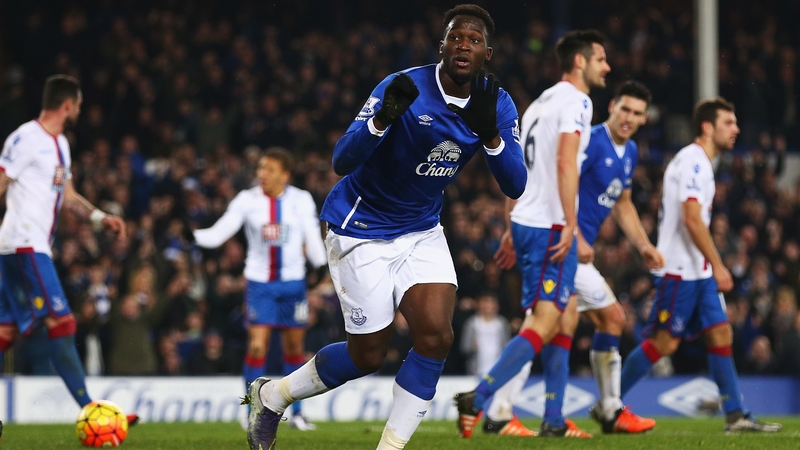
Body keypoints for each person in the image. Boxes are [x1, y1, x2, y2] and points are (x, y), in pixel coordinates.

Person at [242, 5, 527, 449]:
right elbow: (342, 160)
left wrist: (491, 135)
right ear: (442, 46)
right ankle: (273, 396)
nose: (463, 45)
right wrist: (381, 119)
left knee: (436, 336)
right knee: (367, 355)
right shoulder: (405, 86)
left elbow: (515, 184)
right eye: (455, 37)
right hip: (361, 227)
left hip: (421, 229)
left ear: (487, 53)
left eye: (474, 40)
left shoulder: (496, 103)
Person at [480, 81, 663, 435]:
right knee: (594, 320)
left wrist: (643, 245)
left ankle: (509, 411)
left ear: (644, 119)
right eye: (625, 109)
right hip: (561, 243)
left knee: (548, 325)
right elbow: (553, 180)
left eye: (637, 113)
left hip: (568, 247)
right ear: (612, 107)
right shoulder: (590, 140)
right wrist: (572, 234)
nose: (629, 118)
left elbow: (623, 203)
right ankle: (607, 409)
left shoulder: (630, 151)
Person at [455, 29, 609, 439]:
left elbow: (518, 167)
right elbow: (565, 162)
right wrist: (571, 222)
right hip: (550, 225)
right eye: (601, 59)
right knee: (544, 320)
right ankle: (479, 398)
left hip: (527, 218)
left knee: (566, 316)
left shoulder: (540, 103)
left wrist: (511, 224)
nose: (607, 67)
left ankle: (554, 419)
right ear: (580, 61)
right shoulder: (578, 102)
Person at [619, 98, 781, 433]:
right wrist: (719, 264)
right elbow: (692, 219)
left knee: (721, 332)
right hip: (680, 270)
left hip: (699, 271)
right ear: (707, 127)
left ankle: (735, 414)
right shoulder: (693, 161)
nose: (736, 129)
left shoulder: (703, 163)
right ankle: (609, 402)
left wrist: (709, 267)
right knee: (664, 343)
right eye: (729, 123)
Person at [0, 75, 133, 421]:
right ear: (68, 105)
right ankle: (92, 411)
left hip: (24, 246)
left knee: (5, 330)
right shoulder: (26, 137)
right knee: (62, 321)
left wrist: (101, 218)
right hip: (24, 244)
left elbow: (69, 197)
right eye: (79, 106)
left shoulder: (60, 144)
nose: (80, 112)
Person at [192, 147, 327, 431]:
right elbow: (220, 232)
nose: (262, 174)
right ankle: (252, 410)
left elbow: (312, 237)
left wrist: (321, 265)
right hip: (260, 284)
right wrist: (193, 236)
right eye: (261, 168)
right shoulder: (247, 199)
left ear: (285, 175)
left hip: (293, 283)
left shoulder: (301, 199)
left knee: (294, 349)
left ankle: (297, 413)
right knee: (256, 347)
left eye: (269, 169)